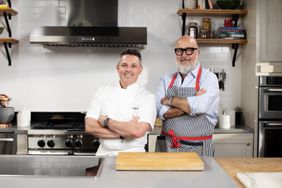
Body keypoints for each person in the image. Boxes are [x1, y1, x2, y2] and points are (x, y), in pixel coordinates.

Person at [155, 36, 219, 156]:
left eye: (189, 50)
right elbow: (159, 111)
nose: (184, 55)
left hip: (197, 148)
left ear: (197, 53)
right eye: (179, 51)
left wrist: (170, 100)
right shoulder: (166, 78)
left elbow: (201, 107)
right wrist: (192, 102)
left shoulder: (209, 78)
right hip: (167, 147)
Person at [85, 49, 156, 156]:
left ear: (140, 70)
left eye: (133, 66)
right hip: (104, 154)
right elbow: (90, 127)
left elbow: (137, 131)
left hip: (134, 155)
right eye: (124, 65)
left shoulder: (147, 97)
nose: (128, 69)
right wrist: (124, 134)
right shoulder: (102, 92)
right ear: (117, 68)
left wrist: (106, 121)